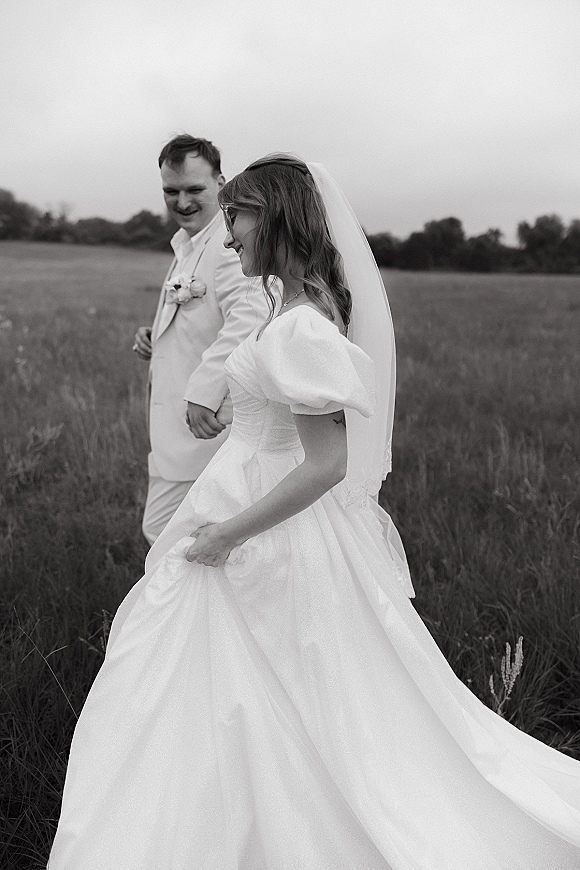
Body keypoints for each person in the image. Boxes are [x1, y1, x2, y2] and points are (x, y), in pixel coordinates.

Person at [48, 156, 580, 870]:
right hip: (241, 485)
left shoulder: (302, 326)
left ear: (276, 219)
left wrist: (227, 536)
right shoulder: (289, 305)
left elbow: (327, 464)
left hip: (258, 515)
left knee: (263, 678)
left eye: (237, 215)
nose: (227, 233)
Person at [133, 134, 267, 544]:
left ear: (221, 183)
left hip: (205, 426)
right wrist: (158, 334)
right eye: (171, 191)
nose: (183, 202)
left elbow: (249, 318)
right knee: (177, 536)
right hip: (173, 429)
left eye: (195, 190)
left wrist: (205, 393)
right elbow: (204, 319)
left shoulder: (226, 246)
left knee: (167, 534)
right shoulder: (188, 243)